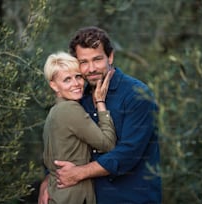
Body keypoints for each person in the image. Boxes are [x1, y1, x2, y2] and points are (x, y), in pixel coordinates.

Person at [39, 26, 162, 204]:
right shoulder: (79, 96)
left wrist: (79, 173)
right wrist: (48, 181)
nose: (91, 69)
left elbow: (129, 153)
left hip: (131, 198)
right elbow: (61, 141)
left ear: (110, 57)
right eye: (84, 62)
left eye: (97, 59)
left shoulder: (137, 95)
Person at [40, 51, 116, 204]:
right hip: (73, 195)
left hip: (59, 193)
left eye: (78, 76)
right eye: (67, 79)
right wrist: (100, 102)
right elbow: (108, 144)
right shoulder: (70, 110)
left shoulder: (54, 111)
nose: (76, 84)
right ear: (54, 85)